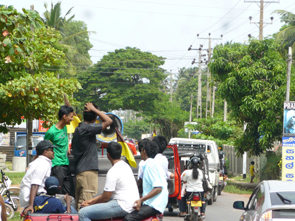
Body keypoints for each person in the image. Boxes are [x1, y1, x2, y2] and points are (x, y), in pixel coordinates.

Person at [78, 142, 139, 221]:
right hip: (130, 202)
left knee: (82, 213)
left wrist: (90, 204)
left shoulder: (113, 171)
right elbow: (106, 194)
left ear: (108, 155)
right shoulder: (125, 165)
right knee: (94, 197)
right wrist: (90, 201)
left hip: (123, 205)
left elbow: (106, 197)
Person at [72, 102, 113, 210]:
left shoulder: (80, 128)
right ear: (95, 118)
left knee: (81, 205)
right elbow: (109, 121)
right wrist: (95, 110)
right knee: (86, 206)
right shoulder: (87, 128)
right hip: (88, 174)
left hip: (81, 172)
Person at [124, 139, 168, 221]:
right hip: (157, 203)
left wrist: (141, 200)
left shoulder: (149, 165)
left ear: (144, 151)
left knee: (128, 218)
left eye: (140, 150)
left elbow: (158, 188)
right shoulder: (154, 164)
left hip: (154, 205)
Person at [19, 140, 56, 214]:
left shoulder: (39, 161)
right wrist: (31, 206)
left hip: (32, 197)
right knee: (69, 200)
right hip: (36, 198)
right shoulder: (43, 164)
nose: (53, 152)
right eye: (51, 150)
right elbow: (35, 184)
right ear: (46, 152)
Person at [45, 105, 74, 195]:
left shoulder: (65, 126)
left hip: (66, 164)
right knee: (59, 193)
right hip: (57, 166)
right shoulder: (51, 132)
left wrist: (67, 147)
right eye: (71, 117)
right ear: (64, 116)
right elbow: (44, 147)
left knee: (69, 193)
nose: (72, 119)